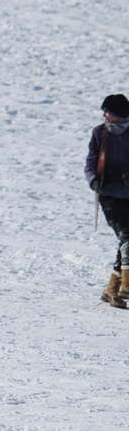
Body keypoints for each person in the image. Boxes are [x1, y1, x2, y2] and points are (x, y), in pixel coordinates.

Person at [85, 94, 129, 309]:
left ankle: (113, 291)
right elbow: (91, 162)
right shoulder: (99, 133)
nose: (104, 115)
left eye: (108, 112)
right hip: (109, 195)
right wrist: (94, 181)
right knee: (127, 236)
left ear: (119, 115)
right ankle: (126, 286)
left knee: (126, 240)